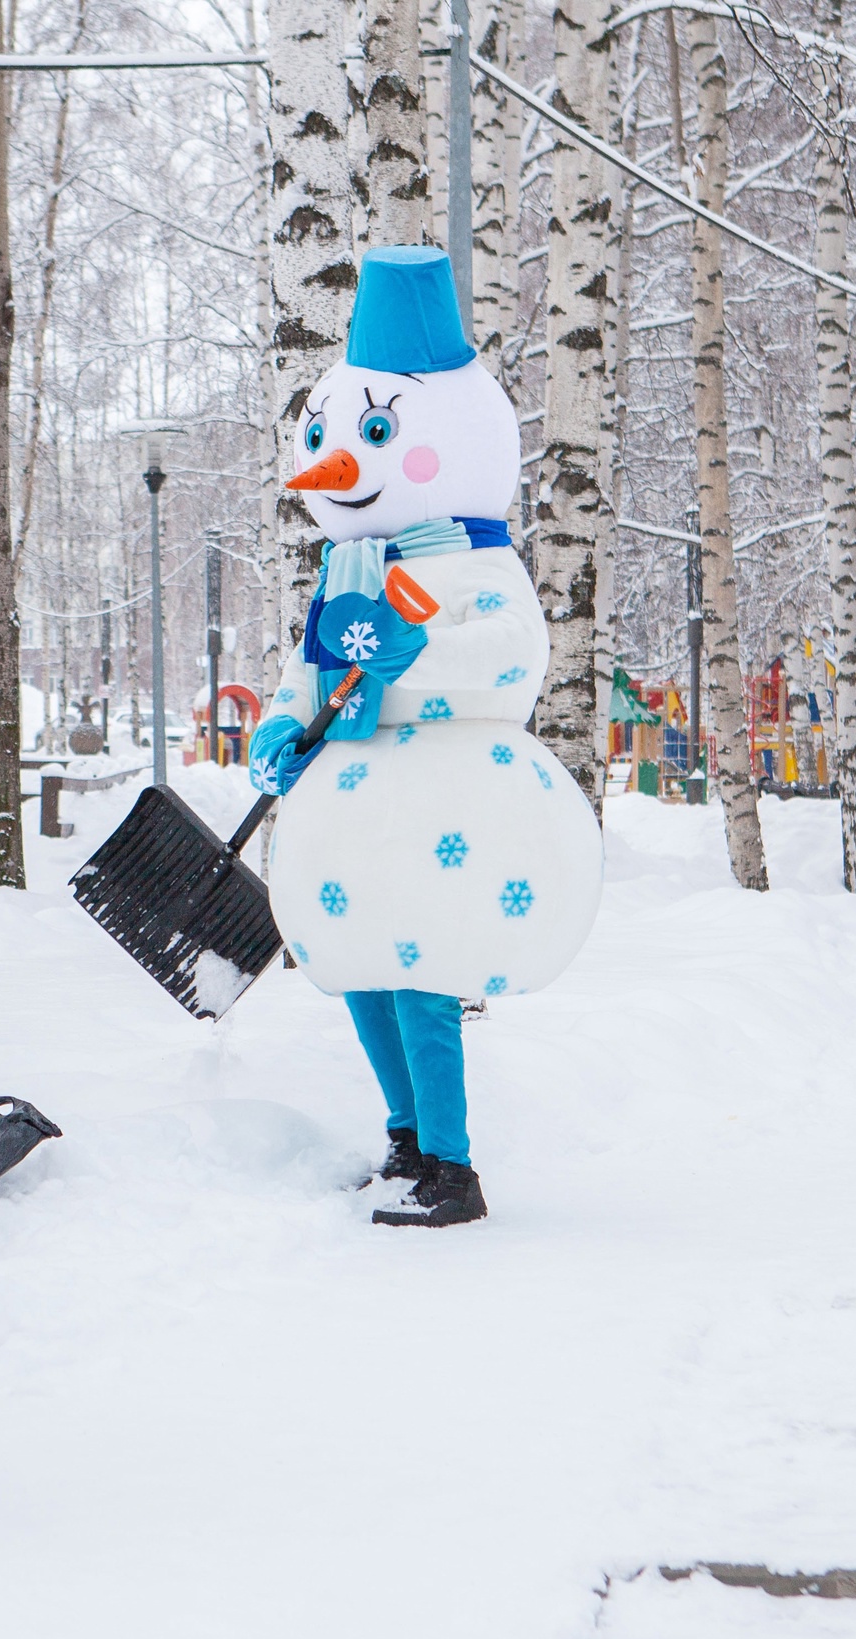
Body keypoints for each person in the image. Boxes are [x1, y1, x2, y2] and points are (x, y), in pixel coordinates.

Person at [246, 247, 605, 1228]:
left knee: (423, 982)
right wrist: (284, 719)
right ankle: (404, 1139)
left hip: (450, 814)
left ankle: (452, 1167)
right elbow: (313, 666)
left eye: (367, 434)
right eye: (326, 435)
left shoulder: (477, 563)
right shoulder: (350, 564)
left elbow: (506, 655)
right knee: (365, 971)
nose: (332, 461)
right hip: (356, 820)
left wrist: (409, 657)